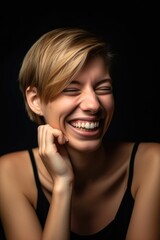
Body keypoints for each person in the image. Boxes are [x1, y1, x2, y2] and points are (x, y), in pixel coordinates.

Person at [0, 27, 159, 240]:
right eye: (71, 89)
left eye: (103, 88)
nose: (93, 105)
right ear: (35, 101)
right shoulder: (8, 174)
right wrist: (63, 185)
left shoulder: (152, 163)